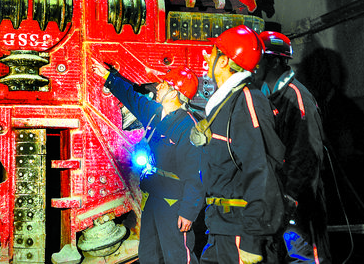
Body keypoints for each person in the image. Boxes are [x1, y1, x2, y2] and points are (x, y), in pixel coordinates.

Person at [91, 59, 204, 264]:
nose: (158, 87)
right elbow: (131, 97)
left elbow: (195, 175)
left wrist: (188, 212)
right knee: (149, 253)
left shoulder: (188, 127)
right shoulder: (154, 113)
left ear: (174, 94)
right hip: (154, 196)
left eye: (164, 85)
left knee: (178, 255)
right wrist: (108, 77)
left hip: (174, 201)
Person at [195, 25, 284, 264]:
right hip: (221, 227)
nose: (208, 56)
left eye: (213, 52)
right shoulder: (227, 102)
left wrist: (252, 240)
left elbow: (262, 169)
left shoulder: (247, 101)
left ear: (224, 61)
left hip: (240, 231)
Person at [254, 31, 331, 264]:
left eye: (259, 59)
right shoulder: (268, 96)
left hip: (298, 204)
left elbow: (306, 155)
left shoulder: (297, 98)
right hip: (279, 203)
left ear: (275, 62)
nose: (254, 65)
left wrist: (290, 199)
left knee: (304, 258)